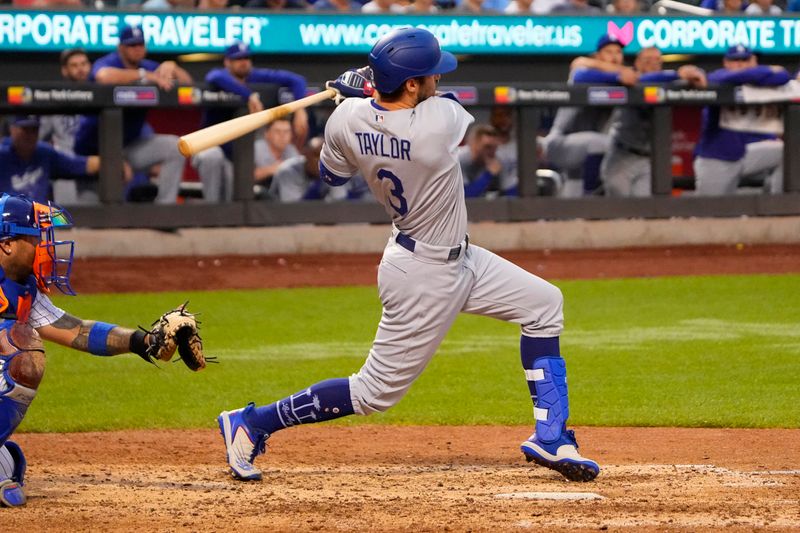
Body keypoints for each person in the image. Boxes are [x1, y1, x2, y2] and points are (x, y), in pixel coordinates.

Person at [216, 27, 599, 484]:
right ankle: (253, 422)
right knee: (374, 392)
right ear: (413, 85)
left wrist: (353, 101)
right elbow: (448, 101)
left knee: (543, 304)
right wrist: (368, 87)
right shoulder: (437, 125)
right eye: (430, 74)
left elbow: (332, 175)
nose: (438, 79)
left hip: (455, 257)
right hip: (423, 274)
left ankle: (551, 436)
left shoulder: (345, 120)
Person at [0, 192, 204, 507]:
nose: (44, 248)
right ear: (7, 244)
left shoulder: (21, 286)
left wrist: (144, 341)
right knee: (19, 350)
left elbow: (77, 331)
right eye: (36, 239)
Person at [74, 25, 229, 204]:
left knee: (176, 147)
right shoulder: (109, 62)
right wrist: (144, 75)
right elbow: (103, 76)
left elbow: (188, 85)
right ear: (121, 48)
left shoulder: (148, 66)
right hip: (95, 152)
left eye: (140, 44)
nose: (137, 49)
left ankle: (165, 210)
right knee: (91, 213)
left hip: (129, 146)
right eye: (132, 45)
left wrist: (173, 67)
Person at [541, 34, 638, 197]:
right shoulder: (587, 72)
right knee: (606, 144)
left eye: (618, 52)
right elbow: (579, 74)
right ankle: (591, 195)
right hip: (560, 141)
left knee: (572, 199)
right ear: (598, 56)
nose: (614, 56)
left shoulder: (622, 80)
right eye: (609, 51)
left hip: (584, 151)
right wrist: (617, 73)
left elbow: (640, 78)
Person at [601, 48, 707, 197]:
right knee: (618, 211)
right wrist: (676, 74)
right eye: (648, 60)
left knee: (645, 211)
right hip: (622, 155)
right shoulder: (627, 78)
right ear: (637, 63)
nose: (653, 64)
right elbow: (643, 81)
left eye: (657, 60)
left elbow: (696, 77)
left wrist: (693, 73)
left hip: (649, 159)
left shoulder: (665, 83)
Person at [693, 45, 790, 195]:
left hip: (746, 154)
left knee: (790, 151)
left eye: (744, 60)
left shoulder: (761, 83)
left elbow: (783, 77)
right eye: (735, 60)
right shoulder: (717, 79)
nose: (740, 64)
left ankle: (775, 202)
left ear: (753, 61)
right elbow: (716, 77)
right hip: (717, 158)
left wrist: (752, 74)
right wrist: (761, 72)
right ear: (726, 62)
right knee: (709, 212)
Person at [205, 41, 309, 157]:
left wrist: (300, 109)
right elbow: (214, 77)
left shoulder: (255, 76)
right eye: (238, 59)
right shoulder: (220, 75)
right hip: (218, 143)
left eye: (246, 58)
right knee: (210, 156)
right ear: (227, 62)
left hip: (247, 147)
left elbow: (297, 80)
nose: (244, 62)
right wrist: (249, 95)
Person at [39, 48, 98, 206]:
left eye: (84, 64)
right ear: (65, 71)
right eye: (74, 65)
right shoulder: (55, 100)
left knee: (93, 220)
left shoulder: (102, 96)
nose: (80, 69)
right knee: (68, 218)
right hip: (66, 166)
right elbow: (37, 137)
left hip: (94, 165)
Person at [0, 115, 100, 204]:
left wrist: (112, 162)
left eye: (34, 130)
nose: (29, 135)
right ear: (12, 129)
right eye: (25, 130)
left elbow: (80, 164)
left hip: (39, 220)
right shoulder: (3, 155)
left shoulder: (44, 153)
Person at [269, 137, 349, 202]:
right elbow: (293, 210)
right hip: (280, 219)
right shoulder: (287, 171)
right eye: (316, 155)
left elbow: (339, 202)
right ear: (306, 155)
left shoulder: (332, 170)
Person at [458, 124, 510, 198]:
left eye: (495, 147)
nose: (492, 151)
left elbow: (508, 193)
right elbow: (465, 195)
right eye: (487, 147)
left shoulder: (498, 159)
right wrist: (488, 175)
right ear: (474, 144)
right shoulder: (459, 159)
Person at [253, 118, 300, 199]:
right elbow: (245, 178)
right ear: (266, 134)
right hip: (257, 196)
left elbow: (300, 175)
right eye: (277, 131)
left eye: (286, 132)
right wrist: (272, 169)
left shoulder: (291, 149)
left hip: (282, 196)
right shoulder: (257, 148)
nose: (282, 136)